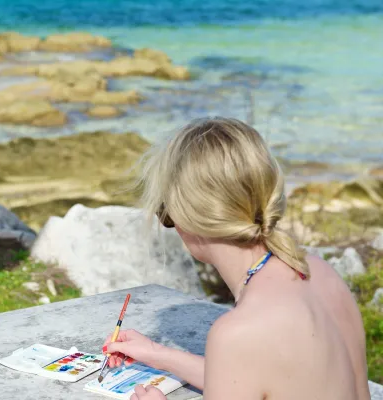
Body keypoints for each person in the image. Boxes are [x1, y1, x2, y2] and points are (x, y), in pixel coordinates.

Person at [102, 117, 371, 400]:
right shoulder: (320, 274)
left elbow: (244, 357)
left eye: (166, 211)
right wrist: (157, 354)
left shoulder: (238, 332)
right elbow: (255, 374)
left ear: (191, 216)